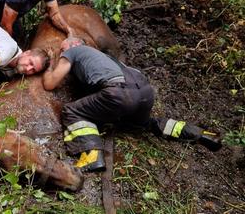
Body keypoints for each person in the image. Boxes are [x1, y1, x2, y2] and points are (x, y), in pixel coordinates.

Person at [42, 37, 222, 172]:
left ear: (74, 44)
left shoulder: (74, 51)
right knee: (145, 124)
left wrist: (51, 64)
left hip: (118, 93)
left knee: (72, 111)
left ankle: (91, 154)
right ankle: (200, 133)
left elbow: (50, 84)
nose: (61, 51)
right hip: (144, 92)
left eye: (63, 47)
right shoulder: (106, 57)